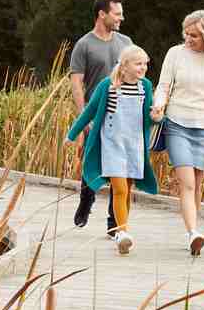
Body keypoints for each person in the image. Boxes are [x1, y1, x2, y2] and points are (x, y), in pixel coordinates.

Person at [64, 45, 159, 255]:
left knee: (127, 189)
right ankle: (123, 233)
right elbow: (89, 112)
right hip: (112, 145)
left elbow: (148, 118)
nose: (143, 68)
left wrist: (156, 118)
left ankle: (119, 229)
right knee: (119, 189)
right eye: (138, 64)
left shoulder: (146, 87)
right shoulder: (108, 85)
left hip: (134, 145)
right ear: (124, 66)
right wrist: (72, 135)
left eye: (145, 64)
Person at [150, 10, 204, 256]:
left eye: (194, 35)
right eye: (186, 33)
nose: (188, 39)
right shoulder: (175, 54)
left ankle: (191, 231)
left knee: (197, 183)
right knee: (187, 182)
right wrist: (158, 104)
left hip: (203, 127)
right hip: (176, 123)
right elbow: (163, 85)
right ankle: (194, 232)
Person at [68, 0, 133, 237]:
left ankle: (114, 223)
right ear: (102, 14)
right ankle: (86, 198)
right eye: (117, 13)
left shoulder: (126, 42)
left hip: (123, 115)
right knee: (91, 162)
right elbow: (77, 83)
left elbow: (136, 74)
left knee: (122, 170)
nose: (121, 18)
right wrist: (84, 117)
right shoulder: (84, 45)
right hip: (96, 113)